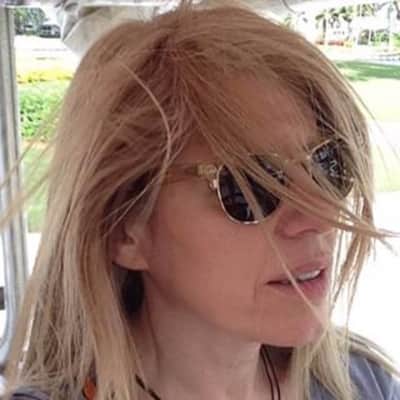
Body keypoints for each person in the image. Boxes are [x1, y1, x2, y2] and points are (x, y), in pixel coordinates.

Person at [2, 1, 400, 399]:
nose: (324, 214)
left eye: (328, 164)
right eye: (249, 186)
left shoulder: (365, 384)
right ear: (125, 231)